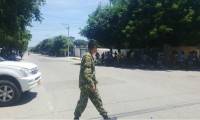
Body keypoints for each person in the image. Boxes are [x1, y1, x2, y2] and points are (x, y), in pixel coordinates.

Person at [74, 40, 116, 120]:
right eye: (97, 47)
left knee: (97, 100)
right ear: (94, 47)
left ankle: (106, 117)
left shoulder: (88, 55)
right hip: (87, 85)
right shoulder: (87, 57)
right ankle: (76, 118)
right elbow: (86, 72)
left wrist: (94, 79)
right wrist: (91, 84)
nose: (97, 49)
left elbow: (88, 71)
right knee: (83, 102)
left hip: (88, 84)